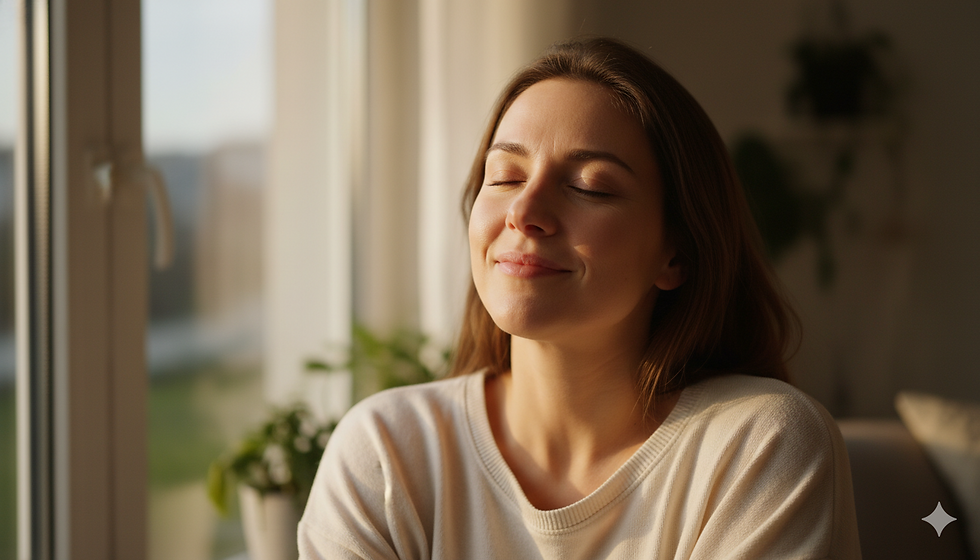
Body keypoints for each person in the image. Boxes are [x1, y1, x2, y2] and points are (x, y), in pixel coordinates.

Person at [298, 37, 861, 559]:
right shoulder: (384, 453)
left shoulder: (760, 446)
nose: (524, 212)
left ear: (677, 254)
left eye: (589, 186)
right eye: (505, 176)